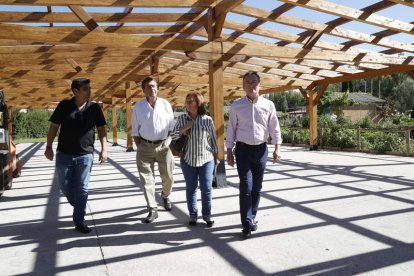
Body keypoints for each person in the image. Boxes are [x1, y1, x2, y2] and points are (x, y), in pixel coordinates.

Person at [44, 78, 108, 234]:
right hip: (64, 154)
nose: (89, 91)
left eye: (89, 88)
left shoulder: (95, 108)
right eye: (86, 88)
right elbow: (54, 127)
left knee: (82, 188)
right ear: (76, 91)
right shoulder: (64, 105)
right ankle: (79, 205)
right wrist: (48, 146)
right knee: (65, 186)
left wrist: (104, 149)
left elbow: (101, 129)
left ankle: (79, 221)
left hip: (86, 155)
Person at [226, 71, 282, 238]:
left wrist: (277, 148)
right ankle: (246, 223)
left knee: (257, 188)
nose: (251, 85)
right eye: (248, 82)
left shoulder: (268, 105)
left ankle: (251, 217)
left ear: (260, 85)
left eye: (254, 82)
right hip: (242, 151)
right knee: (246, 187)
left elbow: (274, 127)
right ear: (243, 86)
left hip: (261, 150)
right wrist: (229, 152)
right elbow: (231, 130)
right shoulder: (236, 105)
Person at [172, 93, 219, 227]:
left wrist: (217, 158)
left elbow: (213, 141)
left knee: (206, 188)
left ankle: (207, 215)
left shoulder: (207, 120)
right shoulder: (181, 119)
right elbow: (173, 136)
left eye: (192, 101)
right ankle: (193, 215)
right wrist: (184, 128)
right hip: (188, 160)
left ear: (198, 103)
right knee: (191, 188)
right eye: (187, 101)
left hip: (206, 159)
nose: (189, 103)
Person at [132, 76, 175, 223]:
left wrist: (168, 142)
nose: (152, 89)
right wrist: (142, 146)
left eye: (154, 86)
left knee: (168, 176)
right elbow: (135, 131)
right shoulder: (138, 106)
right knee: (146, 180)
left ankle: (165, 195)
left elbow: (172, 127)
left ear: (157, 88)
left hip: (164, 145)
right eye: (149, 86)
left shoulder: (165, 104)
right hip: (144, 147)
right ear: (143, 89)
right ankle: (152, 209)